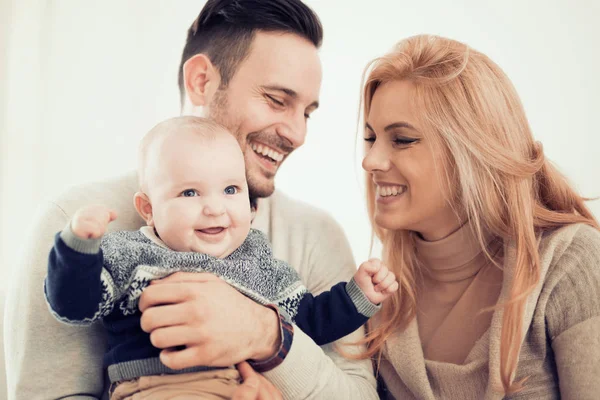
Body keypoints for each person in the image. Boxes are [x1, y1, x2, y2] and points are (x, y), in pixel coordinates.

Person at [4, 1, 380, 399]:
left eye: (307, 112)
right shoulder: (78, 225)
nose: (297, 133)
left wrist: (267, 335)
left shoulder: (316, 236)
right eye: (276, 99)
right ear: (201, 81)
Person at [44, 116, 397, 399]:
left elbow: (308, 323)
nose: (214, 208)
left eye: (230, 189)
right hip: (155, 387)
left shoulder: (257, 262)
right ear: (149, 210)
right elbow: (75, 306)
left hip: (237, 388)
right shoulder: (132, 253)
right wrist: (78, 249)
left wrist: (358, 296)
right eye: (189, 192)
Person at [355, 34, 600, 399]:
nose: (370, 161)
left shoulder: (571, 262)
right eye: (371, 138)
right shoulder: (376, 297)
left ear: (472, 151)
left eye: (402, 140)